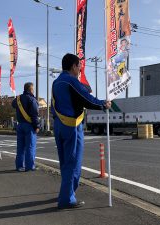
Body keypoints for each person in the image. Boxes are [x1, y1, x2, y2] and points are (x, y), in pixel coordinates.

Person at [52, 53, 111, 209]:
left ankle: (65, 193)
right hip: (72, 126)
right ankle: (67, 199)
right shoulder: (71, 80)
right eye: (79, 66)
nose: (80, 69)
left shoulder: (56, 82)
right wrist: (103, 104)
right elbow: (87, 99)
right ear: (73, 66)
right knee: (73, 163)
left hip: (59, 126)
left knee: (65, 162)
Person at [12, 82, 40, 172]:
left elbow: (13, 104)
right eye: (33, 89)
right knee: (30, 147)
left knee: (20, 147)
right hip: (29, 126)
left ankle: (19, 166)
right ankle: (30, 166)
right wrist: (37, 126)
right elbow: (35, 114)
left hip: (20, 125)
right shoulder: (32, 99)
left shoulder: (18, 99)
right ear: (31, 89)